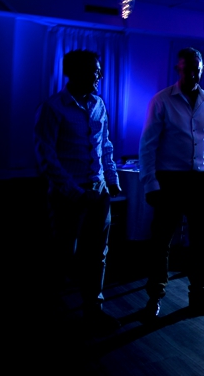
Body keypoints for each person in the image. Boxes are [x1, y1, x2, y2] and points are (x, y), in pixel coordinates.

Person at [34, 49, 122, 334]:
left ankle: (93, 312)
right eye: (95, 71)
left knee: (97, 255)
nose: (100, 76)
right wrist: (75, 193)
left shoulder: (98, 104)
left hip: (98, 192)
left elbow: (105, 146)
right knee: (62, 255)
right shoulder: (52, 108)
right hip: (66, 197)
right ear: (75, 73)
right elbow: (46, 157)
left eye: (99, 71)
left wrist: (111, 180)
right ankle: (51, 314)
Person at [139, 47, 204, 319]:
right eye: (186, 69)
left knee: (201, 243)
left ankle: (199, 295)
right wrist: (150, 184)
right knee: (161, 241)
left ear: (202, 70)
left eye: (196, 70)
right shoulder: (161, 101)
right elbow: (147, 146)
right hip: (170, 180)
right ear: (177, 69)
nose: (191, 74)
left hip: (201, 180)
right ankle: (154, 297)